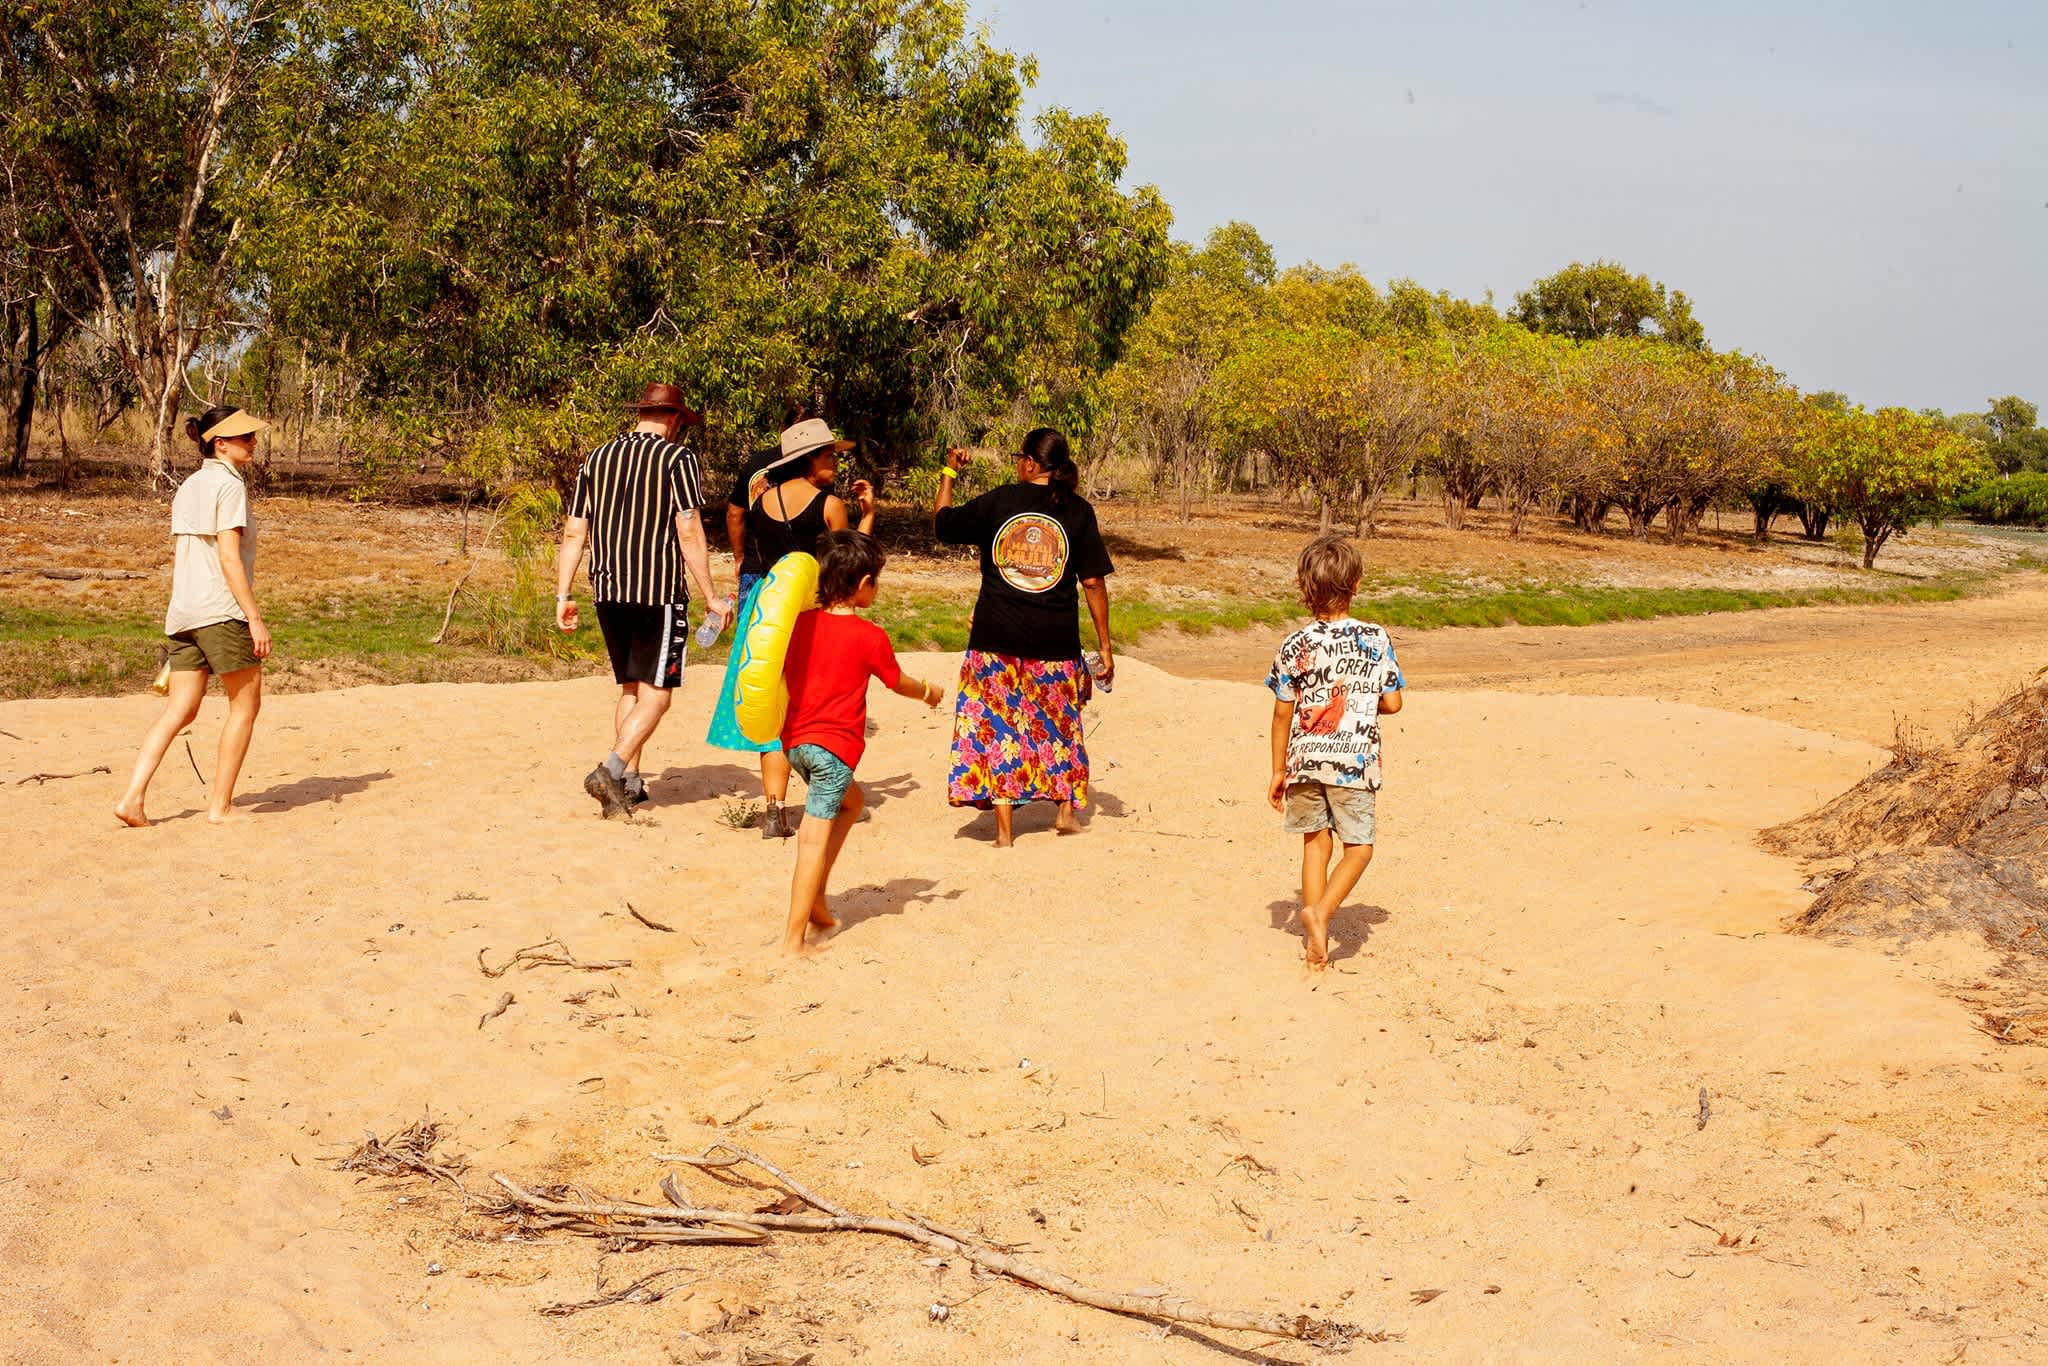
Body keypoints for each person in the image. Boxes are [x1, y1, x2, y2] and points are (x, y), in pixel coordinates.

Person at [554, 382, 732, 818]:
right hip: (658, 592)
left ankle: (628, 783)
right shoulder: (677, 458)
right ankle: (611, 770)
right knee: (658, 695)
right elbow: (688, 528)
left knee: (631, 688)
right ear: (675, 419)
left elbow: (574, 531)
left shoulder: (596, 458)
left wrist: (563, 593)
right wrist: (711, 596)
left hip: (608, 590)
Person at [933, 427, 1113, 847]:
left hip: (995, 639)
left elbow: (942, 524)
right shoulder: (1078, 511)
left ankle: (1004, 834)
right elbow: (1092, 582)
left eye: (1020, 459)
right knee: (1060, 727)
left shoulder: (1000, 502)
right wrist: (1104, 646)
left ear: (1030, 463)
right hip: (1056, 642)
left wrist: (949, 472)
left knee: (999, 729)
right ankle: (1065, 813)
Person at [706, 417, 874, 839]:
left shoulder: (762, 500)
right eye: (829, 455)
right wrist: (869, 514)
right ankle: (829, 796)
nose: (835, 462)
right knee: (812, 707)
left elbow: (762, 555)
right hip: (810, 613)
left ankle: (774, 810)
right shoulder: (829, 505)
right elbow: (848, 562)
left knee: (771, 705)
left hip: (765, 609)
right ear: (809, 458)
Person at [777, 529, 942, 954]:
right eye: (877, 581)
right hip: (832, 752)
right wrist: (928, 692)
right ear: (865, 583)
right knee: (811, 840)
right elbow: (897, 682)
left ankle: (817, 903)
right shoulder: (869, 637)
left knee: (853, 803)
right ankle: (794, 941)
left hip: (795, 745)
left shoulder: (797, 625)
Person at [115, 406, 273, 827]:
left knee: (180, 710)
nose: (253, 442)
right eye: (244, 437)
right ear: (220, 444)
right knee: (246, 706)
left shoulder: (189, 485)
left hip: (184, 612)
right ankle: (221, 808)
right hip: (221, 610)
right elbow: (229, 558)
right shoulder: (229, 485)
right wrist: (254, 618)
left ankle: (132, 798)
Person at [1264, 535, 1405, 971]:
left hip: (1304, 761)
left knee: (1315, 844)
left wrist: (1277, 771)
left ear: (1304, 587)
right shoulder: (1375, 638)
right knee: (1359, 848)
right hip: (1353, 764)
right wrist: (1363, 701)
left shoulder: (1294, 644)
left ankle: (1316, 942)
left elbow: (1282, 713)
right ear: (1356, 584)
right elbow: (1394, 703)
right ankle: (1322, 913)